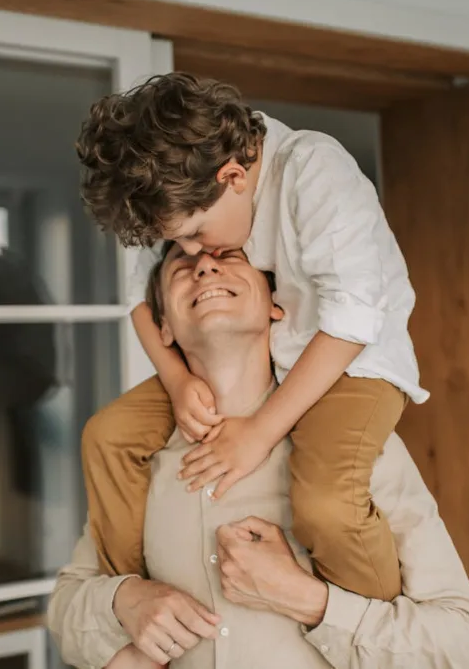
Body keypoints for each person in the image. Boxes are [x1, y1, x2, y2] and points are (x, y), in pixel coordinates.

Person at [47, 244, 469, 669]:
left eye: (230, 256)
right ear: (163, 328)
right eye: (181, 264)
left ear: (276, 306)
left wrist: (303, 597)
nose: (204, 267)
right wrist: (126, 601)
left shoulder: (352, 448)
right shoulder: (137, 463)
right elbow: (66, 607)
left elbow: (463, 644)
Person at [76, 73, 428, 602]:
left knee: (327, 503)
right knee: (108, 437)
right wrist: (174, 379)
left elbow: (355, 320)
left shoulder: (315, 172)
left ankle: (363, 630)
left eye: (194, 234)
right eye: (177, 244)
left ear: (234, 176)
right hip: (265, 358)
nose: (193, 254)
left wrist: (260, 431)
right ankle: (140, 601)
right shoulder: (179, 192)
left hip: (353, 365)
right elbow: (137, 300)